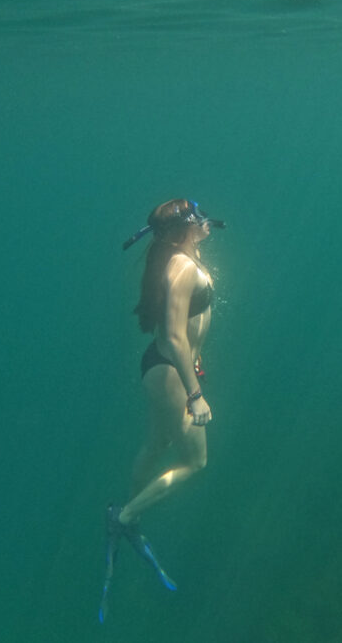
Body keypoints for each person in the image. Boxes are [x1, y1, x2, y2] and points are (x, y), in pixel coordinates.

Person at [100, 199, 224, 617]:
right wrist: (194, 393)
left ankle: (129, 518)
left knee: (155, 443)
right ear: (180, 231)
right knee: (195, 460)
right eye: (195, 218)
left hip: (162, 368)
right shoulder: (182, 266)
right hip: (172, 371)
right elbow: (173, 337)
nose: (203, 218)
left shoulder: (178, 255)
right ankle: (126, 516)